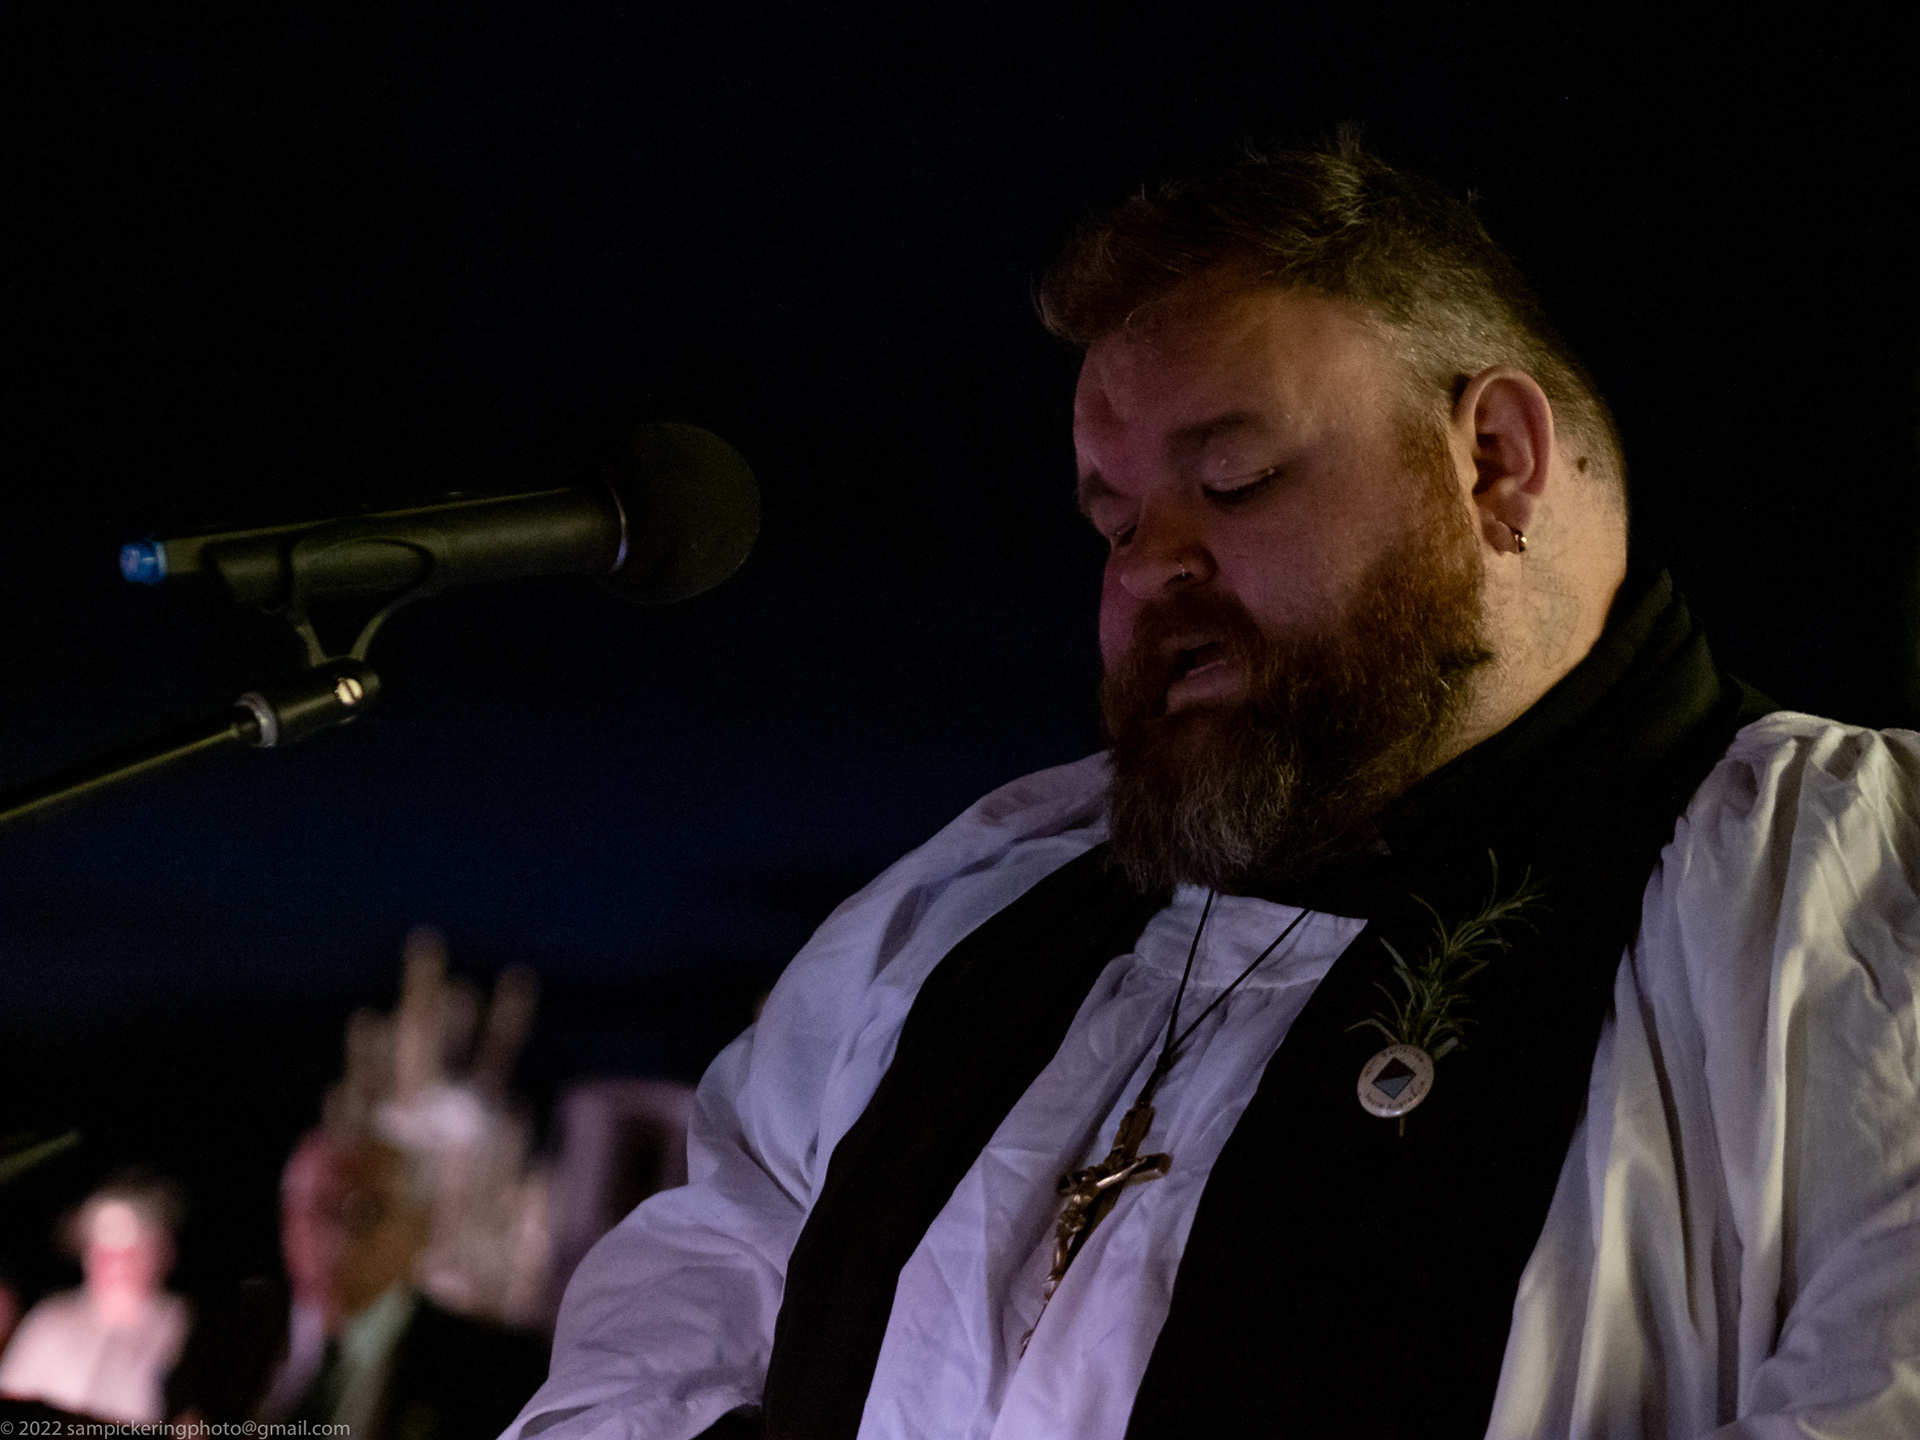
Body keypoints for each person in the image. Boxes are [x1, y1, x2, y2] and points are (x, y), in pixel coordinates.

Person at [506, 140, 1920, 1439]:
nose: (1145, 572)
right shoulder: (969, 904)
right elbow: (669, 1330)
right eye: (1114, 522)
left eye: (1234, 481)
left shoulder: (1843, 888)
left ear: (1497, 462)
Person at [169, 1130, 548, 1439]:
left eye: (364, 1210)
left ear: (420, 1228)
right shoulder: (225, 1326)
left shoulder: (490, 1369)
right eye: (310, 1205)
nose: (332, 1232)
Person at [0, 1172, 189, 1424]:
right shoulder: (51, 1320)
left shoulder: (182, 1325)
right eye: (100, 1244)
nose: (112, 1260)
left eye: (129, 1245)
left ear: (160, 1251)